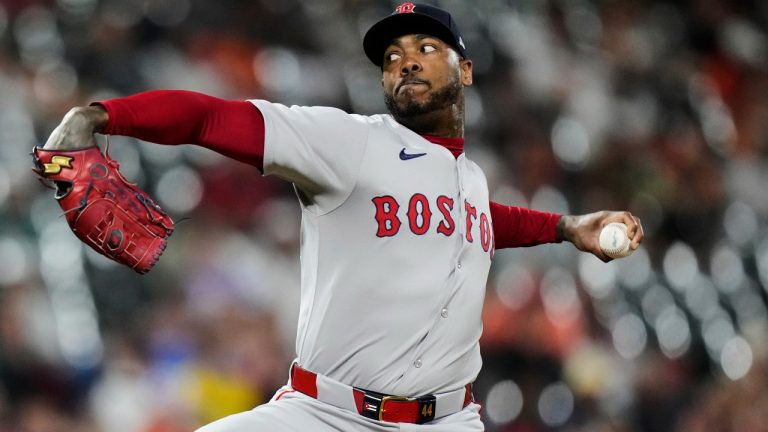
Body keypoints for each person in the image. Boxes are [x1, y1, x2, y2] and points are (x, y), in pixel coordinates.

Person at [42, 3, 643, 431]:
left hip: (450, 420)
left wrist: (566, 228)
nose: (405, 61)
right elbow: (208, 118)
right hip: (325, 415)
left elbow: (478, 220)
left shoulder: (469, 178)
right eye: (392, 55)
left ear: (465, 70)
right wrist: (100, 115)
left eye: (425, 49)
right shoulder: (348, 142)